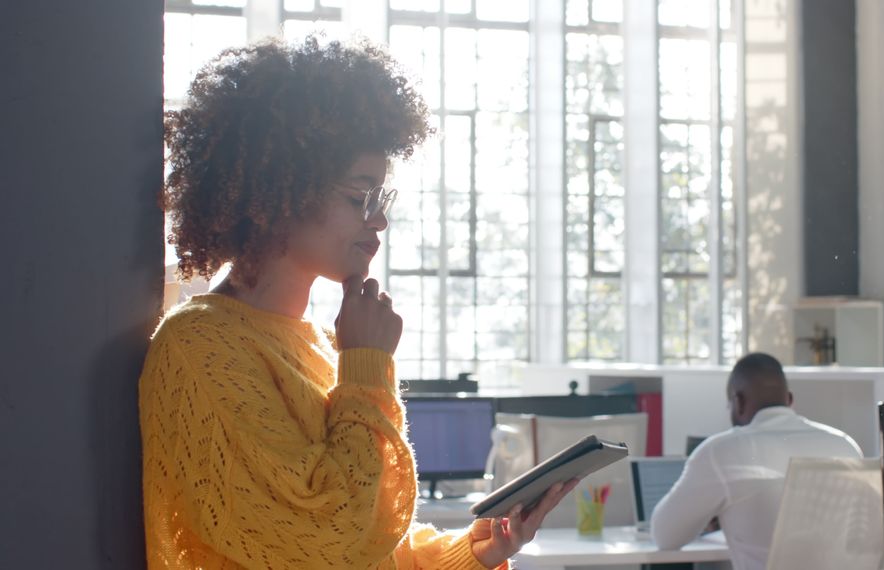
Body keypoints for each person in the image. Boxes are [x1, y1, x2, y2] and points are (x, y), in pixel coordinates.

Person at [139, 36, 576, 569]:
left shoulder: (326, 347)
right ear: (282, 191)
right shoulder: (198, 345)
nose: (379, 221)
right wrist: (367, 366)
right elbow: (325, 538)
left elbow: (372, 542)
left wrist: (472, 551)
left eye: (381, 199)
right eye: (359, 196)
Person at [650, 353, 862, 570]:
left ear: (738, 401)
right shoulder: (846, 446)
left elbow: (665, 536)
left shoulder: (722, 450)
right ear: (789, 400)